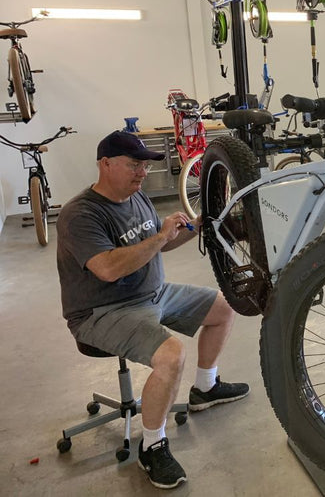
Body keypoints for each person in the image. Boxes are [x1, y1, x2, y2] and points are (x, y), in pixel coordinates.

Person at [56, 130, 249, 489]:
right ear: (105, 164)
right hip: (103, 311)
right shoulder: (80, 214)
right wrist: (160, 235)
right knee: (171, 355)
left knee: (224, 307)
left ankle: (205, 388)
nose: (142, 173)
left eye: (144, 166)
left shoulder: (137, 198)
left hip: (155, 293)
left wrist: (197, 227)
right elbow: (109, 268)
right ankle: (153, 445)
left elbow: (160, 248)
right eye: (134, 165)